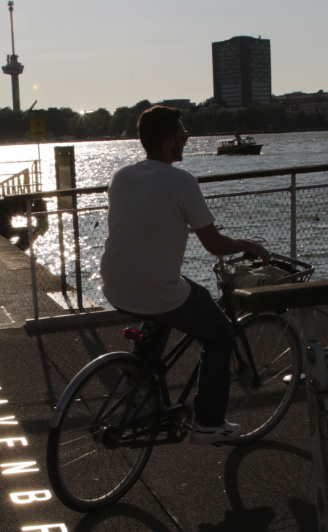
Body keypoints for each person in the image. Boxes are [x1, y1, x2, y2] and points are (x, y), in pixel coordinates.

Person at [100, 105, 270, 445]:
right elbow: (213, 243)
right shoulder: (182, 181)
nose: (186, 142)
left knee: (160, 307)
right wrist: (248, 244)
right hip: (156, 290)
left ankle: (136, 377)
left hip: (115, 284)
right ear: (169, 140)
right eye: (184, 136)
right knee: (220, 333)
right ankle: (209, 422)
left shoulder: (121, 176)